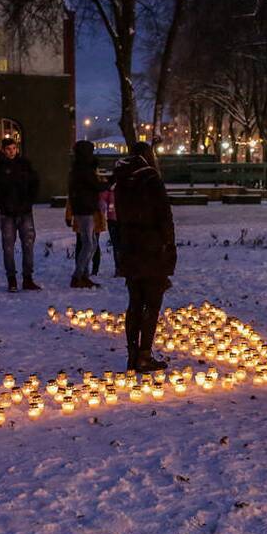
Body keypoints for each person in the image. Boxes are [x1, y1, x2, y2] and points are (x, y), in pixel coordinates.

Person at [114, 141, 176, 371]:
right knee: (152, 304)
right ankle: (143, 355)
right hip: (152, 250)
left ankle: (132, 354)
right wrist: (168, 246)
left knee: (134, 303)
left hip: (130, 248)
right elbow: (164, 217)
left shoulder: (121, 182)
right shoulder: (151, 181)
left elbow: (118, 217)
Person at [0, 137, 40, 292]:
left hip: (25, 211)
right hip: (7, 212)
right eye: (8, 149)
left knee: (28, 245)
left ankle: (28, 278)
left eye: (14, 148)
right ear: (3, 150)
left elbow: (35, 183)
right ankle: (12, 279)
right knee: (8, 247)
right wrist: (1, 201)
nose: (12, 152)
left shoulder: (24, 165)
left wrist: (29, 200)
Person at [67, 140, 109, 288]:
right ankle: (78, 275)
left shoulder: (80, 169)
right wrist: (112, 180)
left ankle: (83, 274)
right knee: (88, 244)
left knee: (91, 243)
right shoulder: (83, 170)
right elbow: (96, 186)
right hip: (84, 209)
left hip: (85, 208)